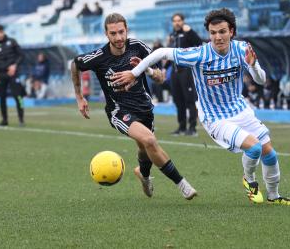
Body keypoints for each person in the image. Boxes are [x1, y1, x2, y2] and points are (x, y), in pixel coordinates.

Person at [112, 8, 290, 206]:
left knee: (270, 153)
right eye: (213, 33)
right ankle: (249, 181)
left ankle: (273, 196)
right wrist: (134, 73)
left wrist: (252, 66)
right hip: (215, 117)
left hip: (241, 110)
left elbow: (261, 80)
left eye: (222, 32)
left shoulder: (243, 49)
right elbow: (160, 53)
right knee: (254, 148)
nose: (217, 37)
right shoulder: (200, 54)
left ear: (232, 32)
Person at [71, 13, 197, 200]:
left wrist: (146, 69)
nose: (118, 37)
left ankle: (143, 175)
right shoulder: (99, 57)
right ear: (107, 35)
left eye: (121, 32)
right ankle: (182, 184)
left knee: (143, 146)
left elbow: (161, 77)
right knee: (149, 141)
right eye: (113, 33)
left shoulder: (138, 47)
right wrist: (79, 96)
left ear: (127, 30)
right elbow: (75, 64)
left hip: (144, 108)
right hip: (119, 111)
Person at [168, 13, 202, 136]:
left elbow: (199, 43)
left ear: (183, 21)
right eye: (174, 20)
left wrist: (191, 31)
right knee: (178, 100)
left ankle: (192, 128)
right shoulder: (172, 35)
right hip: (174, 71)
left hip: (186, 71)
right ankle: (181, 127)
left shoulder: (187, 32)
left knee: (189, 100)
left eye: (179, 20)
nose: (177, 23)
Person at [0, 24, 25, 126]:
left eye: (1, 32)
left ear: (3, 31)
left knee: (18, 96)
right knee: (2, 97)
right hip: (0, 74)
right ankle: (4, 120)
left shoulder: (12, 42)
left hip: (13, 73)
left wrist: (15, 65)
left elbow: (21, 55)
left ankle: (21, 119)